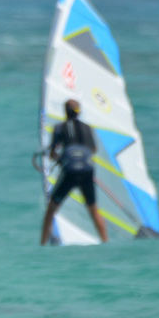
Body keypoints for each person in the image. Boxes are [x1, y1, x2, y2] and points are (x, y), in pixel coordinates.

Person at [40, 99, 108, 246]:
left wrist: (61, 157)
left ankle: (42, 244)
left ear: (65, 112)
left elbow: (52, 154)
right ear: (79, 111)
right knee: (93, 209)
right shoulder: (87, 128)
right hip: (87, 170)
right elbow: (93, 150)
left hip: (70, 171)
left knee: (51, 209)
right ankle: (105, 242)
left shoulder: (59, 128)